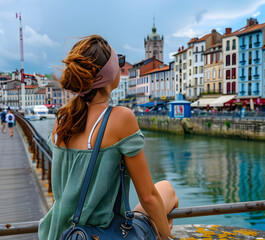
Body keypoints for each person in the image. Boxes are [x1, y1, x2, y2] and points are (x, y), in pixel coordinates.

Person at [38, 35, 178, 240]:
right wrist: (165, 236)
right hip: (100, 234)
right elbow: (147, 197)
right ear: (110, 73)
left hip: (60, 233)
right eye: (119, 62)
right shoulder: (120, 118)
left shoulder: (63, 119)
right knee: (166, 189)